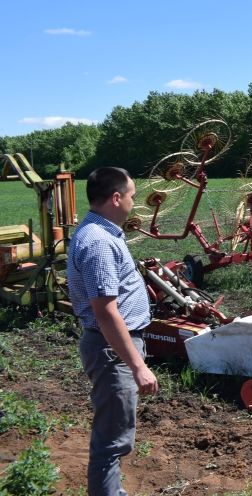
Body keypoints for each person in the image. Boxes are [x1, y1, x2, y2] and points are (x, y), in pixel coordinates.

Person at [67, 166, 158, 496]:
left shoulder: (102, 234)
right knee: (111, 442)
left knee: (115, 437)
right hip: (112, 352)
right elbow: (105, 313)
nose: (135, 202)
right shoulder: (99, 243)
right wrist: (137, 365)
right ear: (116, 198)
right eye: (132, 195)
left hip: (113, 349)